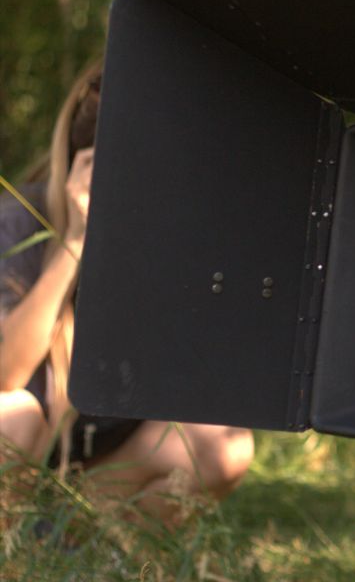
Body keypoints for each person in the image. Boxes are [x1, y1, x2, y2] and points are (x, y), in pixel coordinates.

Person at [0, 61, 255, 524]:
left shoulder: (171, 237)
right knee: (14, 416)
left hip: (99, 477)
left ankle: (86, 548)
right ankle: (16, 551)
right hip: (19, 461)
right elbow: (4, 374)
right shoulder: (19, 223)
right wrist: (74, 244)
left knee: (223, 444)